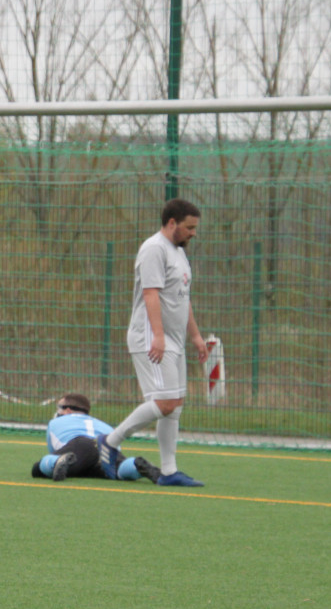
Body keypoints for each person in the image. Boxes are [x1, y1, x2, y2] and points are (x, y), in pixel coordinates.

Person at [98, 198, 209, 487]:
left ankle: (169, 472)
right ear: (172, 223)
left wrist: (195, 336)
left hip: (172, 339)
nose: (193, 233)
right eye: (189, 227)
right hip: (151, 337)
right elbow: (150, 295)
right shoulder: (153, 249)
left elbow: (182, 299)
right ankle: (110, 441)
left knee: (176, 404)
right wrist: (158, 336)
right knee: (165, 401)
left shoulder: (179, 253)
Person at [30, 393, 160, 483]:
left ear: (68, 410)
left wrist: (62, 459)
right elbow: (115, 448)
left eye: (59, 407)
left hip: (79, 445)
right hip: (105, 444)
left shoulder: (55, 422)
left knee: (38, 468)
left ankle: (58, 461)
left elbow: (53, 449)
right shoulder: (105, 425)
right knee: (118, 471)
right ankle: (134, 466)